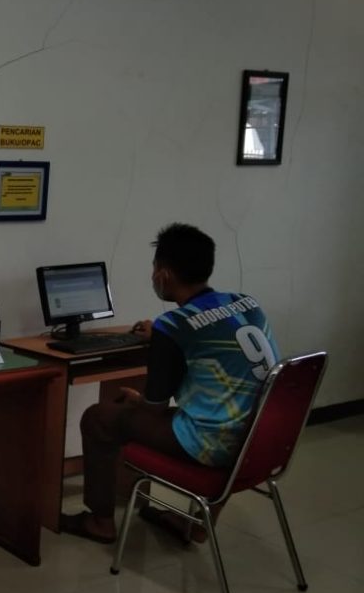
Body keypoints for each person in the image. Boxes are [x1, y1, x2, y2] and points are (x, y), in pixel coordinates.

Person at [60, 222, 279, 545]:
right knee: (223, 410)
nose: (152, 277)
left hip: (214, 445)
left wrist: (139, 397)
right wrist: (160, 339)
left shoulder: (173, 325)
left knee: (98, 418)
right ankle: (198, 525)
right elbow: (214, 338)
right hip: (262, 437)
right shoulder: (246, 302)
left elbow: (154, 408)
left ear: (164, 275)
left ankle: (99, 522)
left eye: (154, 269)